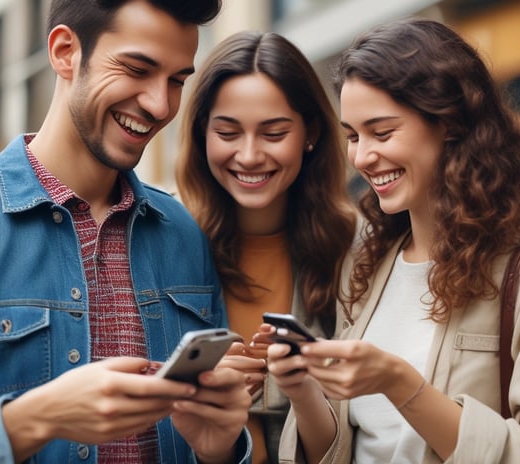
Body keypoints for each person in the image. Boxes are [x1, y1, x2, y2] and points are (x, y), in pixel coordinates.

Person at [0, 1, 254, 463]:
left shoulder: (184, 234)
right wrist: (33, 420)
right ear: (64, 52)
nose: (160, 105)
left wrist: (219, 450)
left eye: (177, 80)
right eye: (137, 68)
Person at [266, 17, 520, 463]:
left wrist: (400, 383)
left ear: (448, 123)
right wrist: (303, 390)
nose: (363, 157)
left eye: (383, 132)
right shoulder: (369, 264)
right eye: (353, 136)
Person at [175, 31, 357, 463]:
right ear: (203, 133)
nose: (250, 155)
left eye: (274, 133)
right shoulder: (167, 245)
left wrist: (302, 387)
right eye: (228, 132)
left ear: (310, 132)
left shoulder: (357, 250)